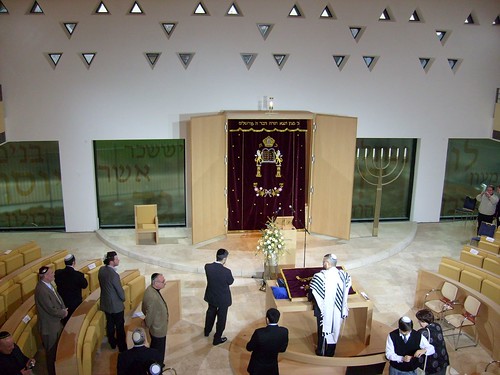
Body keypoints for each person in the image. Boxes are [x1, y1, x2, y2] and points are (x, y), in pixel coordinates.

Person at [308, 253, 351, 356]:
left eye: (323, 262)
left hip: (324, 311)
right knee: (335, 328)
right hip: (338, 309)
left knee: (323, 329)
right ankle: (331, 352)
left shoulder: (320, 277)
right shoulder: (344, 275)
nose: (323, 264)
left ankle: (321, 352)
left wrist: (308, 296)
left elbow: (312, 293)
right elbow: (348, 287)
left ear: (327, 263)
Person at [34, 266, 68, 375]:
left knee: (57, 350)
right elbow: (50, 309)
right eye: (52, 273)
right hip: (49, 327)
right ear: (46, 276)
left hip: (56, 323)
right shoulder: (41, 290)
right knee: (51, 354)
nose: (54, 274)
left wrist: (63, 308)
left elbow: (58, 298)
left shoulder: (48, 285)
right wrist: (63, 313)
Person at [204, 248, 234, 345]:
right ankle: (217, 338)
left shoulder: (207, 267)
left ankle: (207, 331)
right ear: (224, 259)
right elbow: (230, 281)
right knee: (221, 319)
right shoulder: (227, 272)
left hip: (211, 295)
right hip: (223, 299)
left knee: (210, 313)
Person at [246, 308, 289, 375]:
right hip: (272, 367)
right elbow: (282, 349)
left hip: (257, 368)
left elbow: (249, 348)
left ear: (267, 319)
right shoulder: (284, 331)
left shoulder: (259, 333)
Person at [99, 251, 127, 352]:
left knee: (110, 323)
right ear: (111, 261)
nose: (118, 260)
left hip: (105, 303)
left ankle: (112, 342)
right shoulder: (114, 275)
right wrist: (123, 298)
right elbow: (120, 291)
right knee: (120, 327)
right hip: (116, 306)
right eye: (116, 259)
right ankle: (122, 347)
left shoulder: (101, 270)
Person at [142, 273, 169, 365]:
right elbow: (150, 315)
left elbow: (144, 308)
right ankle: (158, 366)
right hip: (158, 329)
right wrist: (147, 324)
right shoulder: (153, 297)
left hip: (156, 327)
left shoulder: (150, 289)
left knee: (155, 348)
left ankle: (156, 363)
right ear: (155, 283)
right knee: (159, 350)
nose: (165, 283)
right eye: (163, 282)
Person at [55, 253, 88, 324]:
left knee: (65, 323)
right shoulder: (78, 275)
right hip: (75, 305)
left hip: (62, 304)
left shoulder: (58, 273)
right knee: (74, 323)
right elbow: (85, 285)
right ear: (74, 262)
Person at [415, 309, 450, 375]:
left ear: (422, 321)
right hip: (442, 359)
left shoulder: (422, 332)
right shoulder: (437, 325)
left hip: (432, 364)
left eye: (419, 321)